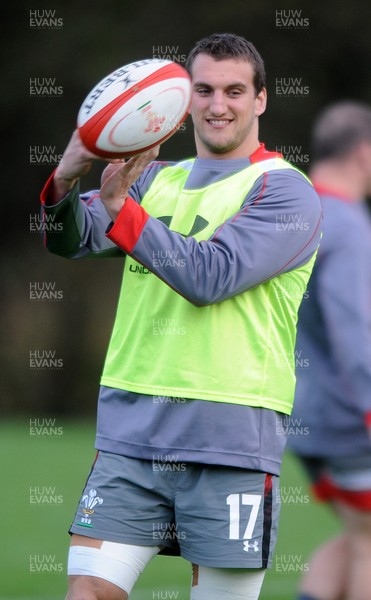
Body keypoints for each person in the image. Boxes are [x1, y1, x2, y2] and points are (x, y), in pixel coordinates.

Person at [40, 33, 322, 600]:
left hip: (230, 442)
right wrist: (67, 178)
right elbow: (69, 240)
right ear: (182, 100)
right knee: (87, 592)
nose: (218, 105)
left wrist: (123, 210)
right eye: (205, 90)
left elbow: (209, 278)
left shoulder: (287, 193)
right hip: (131, 435)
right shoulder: (151, 177)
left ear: (261, 100)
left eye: (235, 91)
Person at [288, 101, 371, 600]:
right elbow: (358, 336)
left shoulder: (291, 210)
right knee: (368, 540)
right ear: (364, 152)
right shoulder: (348, 226)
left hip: (302, 416)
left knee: (355, 531)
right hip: (348, 420)